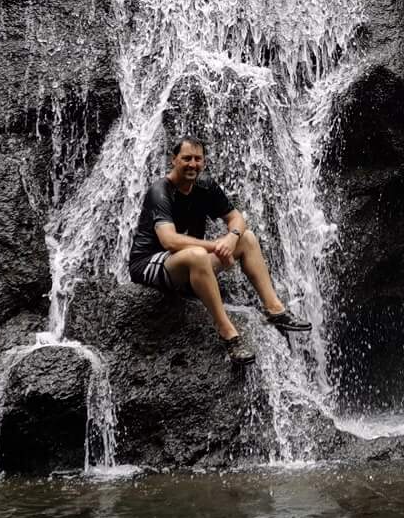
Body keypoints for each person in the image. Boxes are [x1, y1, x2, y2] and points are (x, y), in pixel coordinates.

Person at [127, 137, 311, 364]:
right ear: (173, 160)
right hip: (150, 264)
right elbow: (170, 241)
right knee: (198, 255)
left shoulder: (205, 186)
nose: (192, 164)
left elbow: (236, 218)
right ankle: (228, 334)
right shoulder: (160, 191)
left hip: (191, 265)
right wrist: (217, 245)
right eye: (186, 158)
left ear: (203, 162)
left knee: (248, 238)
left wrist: (232, 238)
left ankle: (275, 310)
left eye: (197, 159)